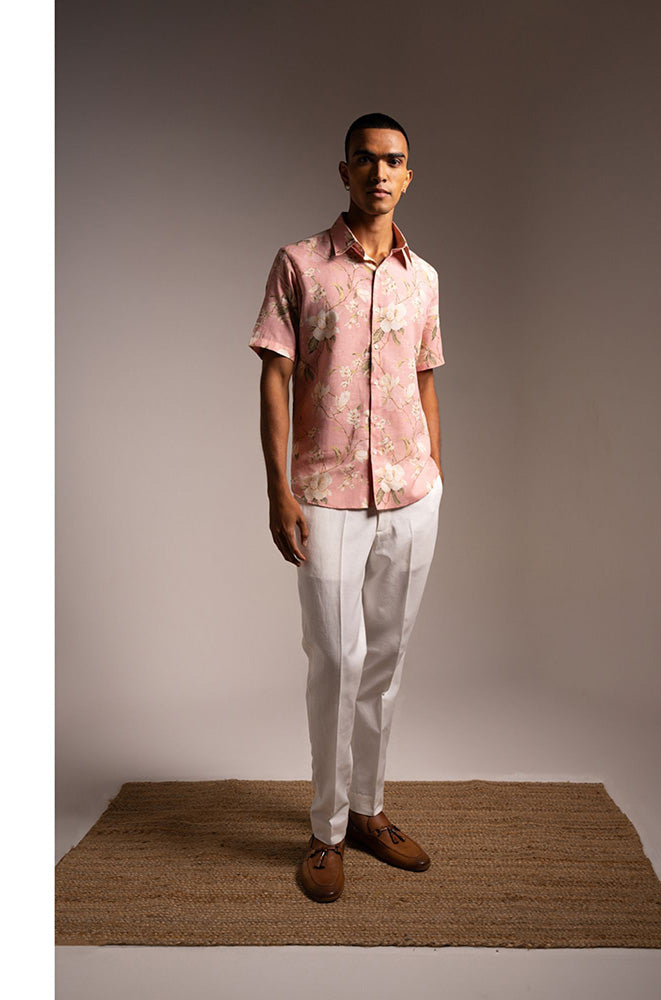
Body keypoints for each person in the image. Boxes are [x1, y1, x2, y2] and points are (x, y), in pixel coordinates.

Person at [248, 112, 446, 903]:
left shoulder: (424, 277)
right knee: (337, 662)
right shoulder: (299, 264)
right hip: (325, 492)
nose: (379, 172)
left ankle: (369, 811)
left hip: (411, 493)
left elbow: (426, 375)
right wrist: (278, 489)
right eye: (366, 159)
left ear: (409, 175)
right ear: (345, 171)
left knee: (386, 662)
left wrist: (435, 470)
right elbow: (273, 376)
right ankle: (326, 830)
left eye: (393, 160)